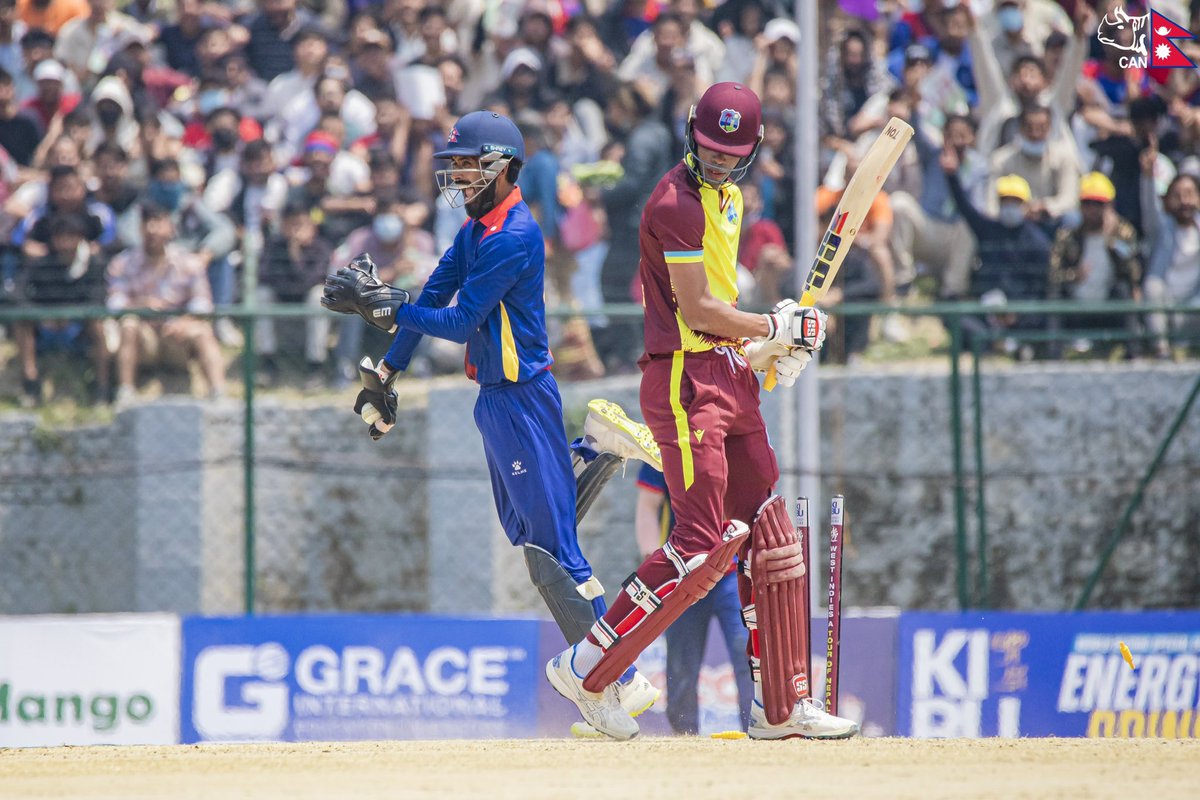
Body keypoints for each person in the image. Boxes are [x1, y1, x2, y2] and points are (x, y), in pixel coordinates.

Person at [320, 110, 663, 726]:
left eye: (466, 163)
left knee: (551, 551)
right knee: (529, 532)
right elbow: (430, 298)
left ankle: (618, 679)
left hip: (521, 396)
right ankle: (599, 450)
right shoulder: (479, 228)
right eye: (451, 163)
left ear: (503, 166)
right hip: (499, 401)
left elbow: (459, 322)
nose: (456, 174)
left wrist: (383, 305)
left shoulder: (514, 235)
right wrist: (389, 369)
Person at [544, 82, 857, 741]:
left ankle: (778, 706)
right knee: (695, 546)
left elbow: (724, 311)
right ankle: (587, 668)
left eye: (731, 156)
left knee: (767, 532)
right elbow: (698, 311)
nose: (717, 164)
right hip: (684, 379)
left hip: (725, 372)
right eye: (710, 152)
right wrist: (772, 327)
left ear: (752, 152)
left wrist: (766, 348)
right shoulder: (673, 203)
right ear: (691, 131)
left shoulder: (730, 196)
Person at [635, 463, 753, 735]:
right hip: (682, 576)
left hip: (734, 575)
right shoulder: (664, 443)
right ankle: (684, 736)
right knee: (681, 664)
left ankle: (756, 729)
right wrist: (654, 567)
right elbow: (648, 507)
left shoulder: (734, 441)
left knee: (747, 655)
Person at [106, 204, 226, 406]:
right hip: (144, 338)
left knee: (202, 331)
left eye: (158, 223)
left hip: (177, 337)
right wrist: (139, 306)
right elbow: (114, 303)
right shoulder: (122, 263)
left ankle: (219, 394)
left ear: (171, 228)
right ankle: (125, 392)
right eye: (147, 223)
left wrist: (184, 321)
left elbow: (202, 303)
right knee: (129, 324)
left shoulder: (188, 262)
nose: (152, 229)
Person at [1047, 172, 1142, 356]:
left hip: (1108, 308)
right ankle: (1053, 355)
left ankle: (1134, 354)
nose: (1092, 209)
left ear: (1109, 206)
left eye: (1098, 204)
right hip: (1076, 309)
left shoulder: (1123, 233)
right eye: (1087, 203)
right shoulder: (1067, 236)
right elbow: (1052, 275)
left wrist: (1112, 240)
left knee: (1124, 290)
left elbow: (1134, 273)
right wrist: (1074, 275)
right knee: (1055, 294)